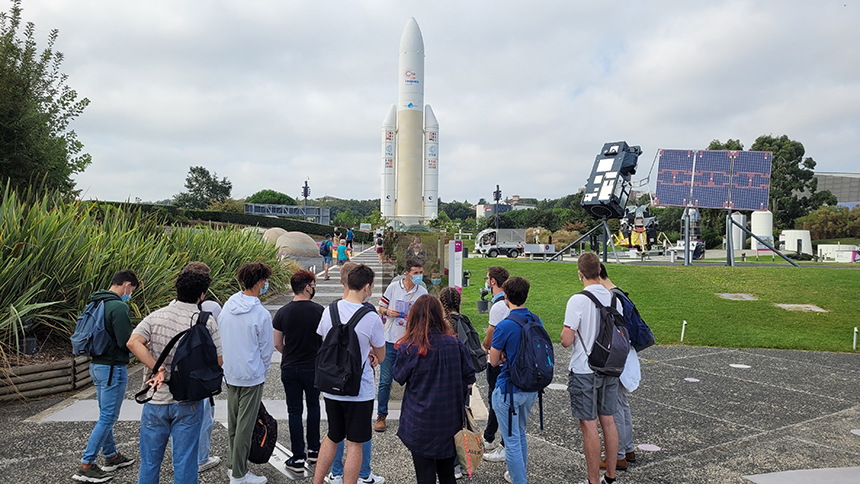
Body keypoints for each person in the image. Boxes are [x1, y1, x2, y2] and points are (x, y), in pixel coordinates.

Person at [127, 270, 222, 484]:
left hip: (156, 399)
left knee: (150, 462)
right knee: (185, 463)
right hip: (188, 400)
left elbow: (133, 342)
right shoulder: (205, 321)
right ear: (202, 295)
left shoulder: (156, 316)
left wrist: (157, 368)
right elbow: (218, 361)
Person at [312, 265, 385, 484]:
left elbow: (324, 340)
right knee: (355, 443)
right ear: (367, 286)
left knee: (333, 436)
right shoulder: (370, 317)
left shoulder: (329, 310)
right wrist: (371, 354)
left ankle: (316, 482)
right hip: (358, 390)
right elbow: (380, 353)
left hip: (331, 385)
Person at [394, 295, 476, 484]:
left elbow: (398, 376)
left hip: (420, 422)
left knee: (424, 476)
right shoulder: (455, 344)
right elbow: (469, 378)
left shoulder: (410, 348)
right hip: (449, 421)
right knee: (447, 474)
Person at [560, 252, 622, 484]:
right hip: (610, 366)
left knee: (589, 425)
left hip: (585, 368)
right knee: (608, 420)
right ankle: (611, 477)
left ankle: (593, 480)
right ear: (599, 271)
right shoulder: (614, 299)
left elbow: (567, 340)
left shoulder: (577, 300)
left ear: (580, 273)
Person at [73, 270, 139, 483]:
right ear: (127, 285)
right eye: (132, 290)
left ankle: (111, 456)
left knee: (105, 414)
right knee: (108, 416)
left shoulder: (95, 303)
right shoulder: (118, 306)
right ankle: (87, 464)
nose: (130, 295)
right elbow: (125, 342)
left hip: (96, 366)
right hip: (113, 369)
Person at [219, 262, 275, 484]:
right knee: (246, 425)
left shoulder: (228, 306)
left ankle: (234, 465)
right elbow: (266, 349)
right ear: (260, 282)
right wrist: (263, 369)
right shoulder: (260, 313)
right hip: (252, 375)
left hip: (230, 372)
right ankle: (239, 474)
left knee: (234, 422)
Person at [489, 277, 542, 484]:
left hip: (509, 388)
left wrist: (502, 354)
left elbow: (493, 361)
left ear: (506, 297)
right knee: (520, 434)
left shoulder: (505, 325)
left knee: (511, 440)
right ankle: (518, 475)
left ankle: (519, 480)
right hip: (530, 386)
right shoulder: (536, 320)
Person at [273, 270, 324, 474]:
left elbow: (278, 343)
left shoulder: (282, 312)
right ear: (307, 287)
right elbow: (326, 340)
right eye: (313, 284)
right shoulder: (320, 310)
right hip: (313, 367)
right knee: (313, 406)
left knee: (294, 411)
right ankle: (314, 450)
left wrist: (291, 352)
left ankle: (297, 457)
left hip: (290, 367)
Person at [374, 259, 428, 432]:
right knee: (385, 380)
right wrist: (387, 312)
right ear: (407, 273)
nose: (419, 276)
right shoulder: (393, 287)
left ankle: (413, 415)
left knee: (415, 380)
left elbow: (427, 315)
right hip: (391, 340)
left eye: (421, 273)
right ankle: (381, 414)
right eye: (416, 273)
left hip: (411, 341)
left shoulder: (423, 291)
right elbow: (380, 307)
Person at [181, 262, 223, 474]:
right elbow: (219, 345)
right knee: (204, 416)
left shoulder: (172, 306)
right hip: (203, 371)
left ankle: (182, 457)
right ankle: (201, 458)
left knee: (181, 419)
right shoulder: (212, 308)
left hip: (179, 372)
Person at [598, 264, 640, 472]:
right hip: (626, 353)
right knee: (622, 404)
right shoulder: (620, 294)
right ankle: (628, 449)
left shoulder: (611, 298)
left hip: (617, 356)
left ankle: (620, 455)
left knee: (614, 406)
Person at [480, 265, 509, 463]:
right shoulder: (508, 301)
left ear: (493, 282)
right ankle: (489, 436)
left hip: (498, 361)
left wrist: (484, 345)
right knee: (498, 401)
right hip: (508, 359)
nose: (486, 281)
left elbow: (491, 336)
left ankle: (500, 442)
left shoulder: (498, 306)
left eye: (487, 278)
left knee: (497, 400)